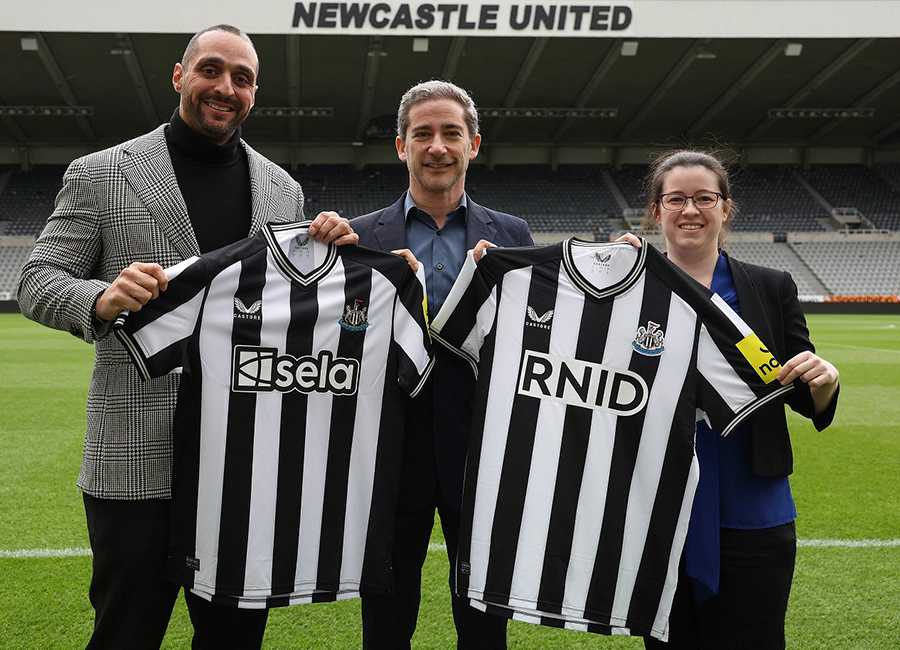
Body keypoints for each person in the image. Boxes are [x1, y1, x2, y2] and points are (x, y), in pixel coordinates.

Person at [16, 24, 354, 650]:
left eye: (243, 78)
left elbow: (292, 310)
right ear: (180, 75)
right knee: (126, 631)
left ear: (255, 92)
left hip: (243, 463)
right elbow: (37, 280)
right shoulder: (102, 173)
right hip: (136, 457)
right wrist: (98, 297)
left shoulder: (283, 190)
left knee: (234, 637)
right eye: (211, 70)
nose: (225, 88)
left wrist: (330, 249)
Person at [630, 149, 840, 650]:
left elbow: (801, 391)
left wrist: (824, 380)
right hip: (657, 505)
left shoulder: (770, 287)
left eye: (705, 198)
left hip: (753, 506)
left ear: (725, 208)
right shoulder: (627, 288)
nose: (690, 210)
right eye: (675, 198)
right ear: (657, 211)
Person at [349, 80, 533, 649]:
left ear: (473, 144)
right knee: (385, 618)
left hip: (481, 452)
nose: (437, 146)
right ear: (400, 147)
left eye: (451, 133)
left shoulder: (513, 236)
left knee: (483, 621)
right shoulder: (357, 238)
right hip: (386, 452)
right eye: (421, 134)